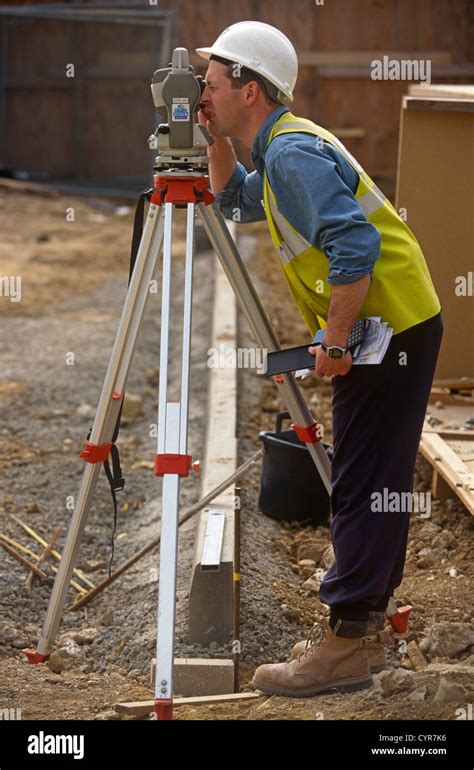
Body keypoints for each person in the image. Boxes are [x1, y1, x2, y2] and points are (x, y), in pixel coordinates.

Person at [196, 21, 443, 697]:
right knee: (374, 468)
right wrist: (214, 140)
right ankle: (361, 621)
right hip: (389, 324)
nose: (202, 93)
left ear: (249, 89)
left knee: (363, 475)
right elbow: (235, 200)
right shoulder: (276, 152)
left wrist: (334, 341)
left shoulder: (294, 155)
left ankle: (343, 651)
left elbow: (354, 248)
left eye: (212, 85)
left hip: (386, 328)